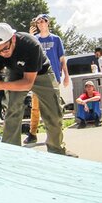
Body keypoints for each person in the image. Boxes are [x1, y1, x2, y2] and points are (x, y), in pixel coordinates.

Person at [0, 23, 76, 157]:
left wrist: (0, 85)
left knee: (54, 113)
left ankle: (57, 149)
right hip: (15, 72)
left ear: (13, 39)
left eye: (5, 49)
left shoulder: (31, 45)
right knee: (12, 109)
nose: (2, 53)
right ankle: (11, 151)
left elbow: (28, 83)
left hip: (41, 73)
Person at [25, 14, 70, 145]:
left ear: (47, 23)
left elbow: (62, 59)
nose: (41, 24)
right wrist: (30, 37)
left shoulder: (56, 39)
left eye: (43, 21)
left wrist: (66, 75)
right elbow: (29, 54)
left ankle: (55, 134)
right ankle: (33, 133)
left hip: (54, 77)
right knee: (35, 108)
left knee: (54, 107)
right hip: (38, 78)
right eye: (38, 22)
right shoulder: (35, 39)